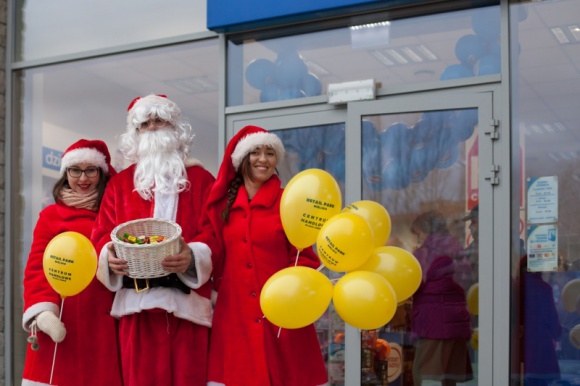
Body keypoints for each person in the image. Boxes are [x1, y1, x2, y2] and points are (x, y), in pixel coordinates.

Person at [90, 94, 217, 386]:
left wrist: (194, 255)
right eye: (145, 123)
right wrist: (107, 255)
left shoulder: (202, 181)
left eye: (159, 120)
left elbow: (215, 235)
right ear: (136, 134)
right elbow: (101, 234)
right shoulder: (120, 185)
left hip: (187, 307)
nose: (153, 128)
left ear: (174, 127)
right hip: (137, 308)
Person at [204, 125, 329, 386]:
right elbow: (210, 251)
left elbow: (305, 256)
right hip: (234, 315)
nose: (263, 159)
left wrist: (294, 289)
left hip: (281, 316)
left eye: (270, 153)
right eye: (256, 152)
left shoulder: (289, 203)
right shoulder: (222, 207)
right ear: (241, 160)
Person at [22, 139, 122, 386]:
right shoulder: (50, 217)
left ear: (102, 173)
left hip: (102, 323)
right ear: (66, 174)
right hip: (60, 321)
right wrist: (43, 313)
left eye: (91, 170)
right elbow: (36, 267)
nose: (83, 178)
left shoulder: (114, 215)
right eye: (75, 170)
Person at [410, 210, 473, 386]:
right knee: (449, 377)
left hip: (434, 322)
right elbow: (466, 280)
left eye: (419, 234)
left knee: (424, 374)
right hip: (457, 320)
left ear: (426, 230)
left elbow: (413, 284)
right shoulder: (457, 248)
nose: (418, 239)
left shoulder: (426, 253)